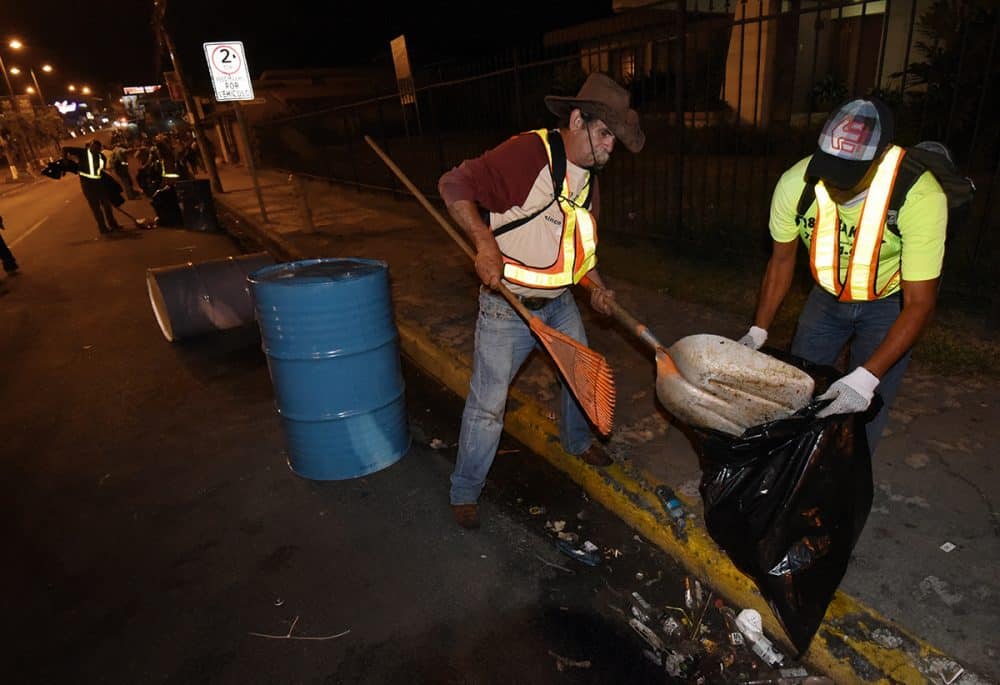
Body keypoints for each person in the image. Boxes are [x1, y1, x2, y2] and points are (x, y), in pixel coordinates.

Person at [437, 72, 645, 529]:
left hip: (558, 303)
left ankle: (575, 442)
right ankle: (465, 490)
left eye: (616, 139)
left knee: (581, 377)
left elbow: (578, 253)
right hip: (506, 308)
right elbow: (453, 184)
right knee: (488, 405)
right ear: (577, 120)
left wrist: (596, 289)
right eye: (606, 134)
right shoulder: (529, 154)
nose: (611, 147)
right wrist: (484, 243)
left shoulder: (587, 178)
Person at [738, 97, 946, 453]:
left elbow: (920, 304)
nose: (834, 182)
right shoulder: (795, 185)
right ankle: (796, 467)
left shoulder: (920, 196)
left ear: (881, 157)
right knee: (799, 392)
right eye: (829, 167)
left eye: (848, 174)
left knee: (866, 408)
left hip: (889, 306)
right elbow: (782, 262)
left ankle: (846, 489)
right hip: (825, 298)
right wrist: (758, 330)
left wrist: (865, 378)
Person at [63, 140, 121, 235]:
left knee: (107, 206)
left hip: (99, 184)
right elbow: (65, 149)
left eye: (97, 148)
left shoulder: (101, 157)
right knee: (96, 209)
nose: (94, 149)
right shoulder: (83, 153)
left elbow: (102, 171)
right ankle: (103, 228)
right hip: (88, 185)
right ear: (91, 146)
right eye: (93, 147)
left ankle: (113, 224)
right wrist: (65, 161)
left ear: (99, 149)